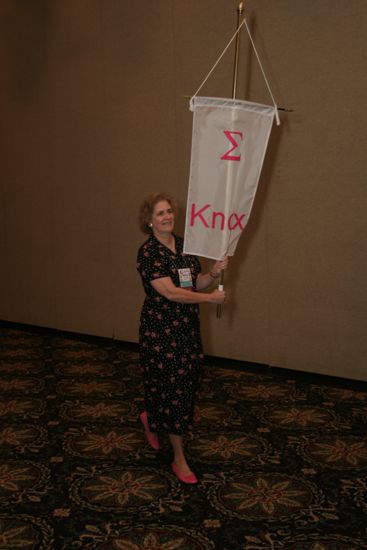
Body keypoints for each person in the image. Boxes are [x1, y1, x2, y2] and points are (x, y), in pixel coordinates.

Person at [136, 192, 228, 484]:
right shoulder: (148, 252)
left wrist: (212, 274)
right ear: (149, 222)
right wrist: (209, 299)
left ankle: (150, 418)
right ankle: (179, 457)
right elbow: (171, 292)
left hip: (187, 328)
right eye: (160, 213)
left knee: (186, 382)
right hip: (161, 330)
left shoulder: (186, 246)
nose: (167, 217)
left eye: (169, 212)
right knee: (172, 388)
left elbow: (193, 281)